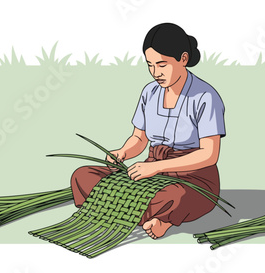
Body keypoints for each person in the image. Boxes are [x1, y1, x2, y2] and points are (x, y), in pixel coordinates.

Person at [71, 22, 226, 239]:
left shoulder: (205, 97)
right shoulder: (149, 93)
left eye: (162, 65)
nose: (155, 73)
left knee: (175, 197)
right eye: (150, 65)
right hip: (150, 171)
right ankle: (145, 215)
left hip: (192, 178)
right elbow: (138, 138)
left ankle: (161, 220)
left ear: (183, 59)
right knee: (83, 176)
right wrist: (121, 153)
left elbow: (209, 155)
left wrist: (156, 168)